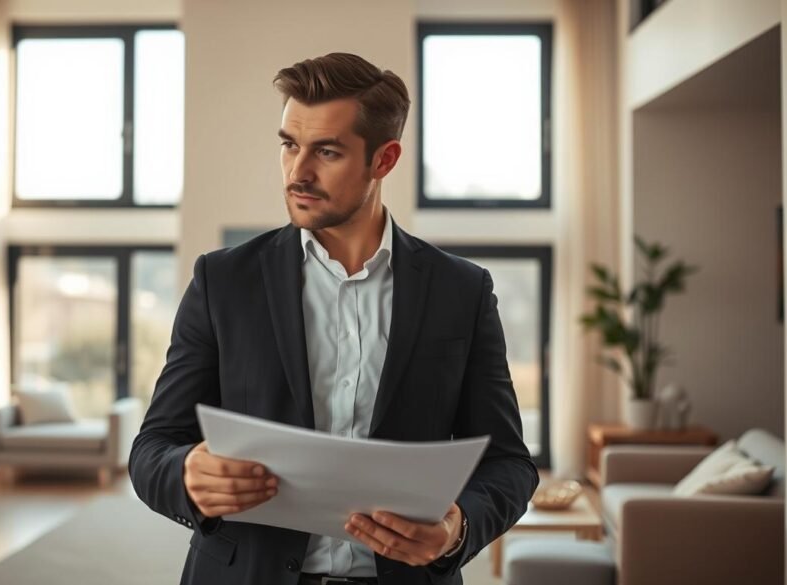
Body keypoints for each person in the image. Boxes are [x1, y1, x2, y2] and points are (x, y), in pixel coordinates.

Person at [129, 52, 539, 585]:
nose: (299, 171)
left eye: (326, 151)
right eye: (289, 145)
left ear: (383, 160)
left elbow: (509, 463)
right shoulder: (222, 281)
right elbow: (152, 448)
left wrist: (456, 529)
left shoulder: (462, 291)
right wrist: (186, 475)